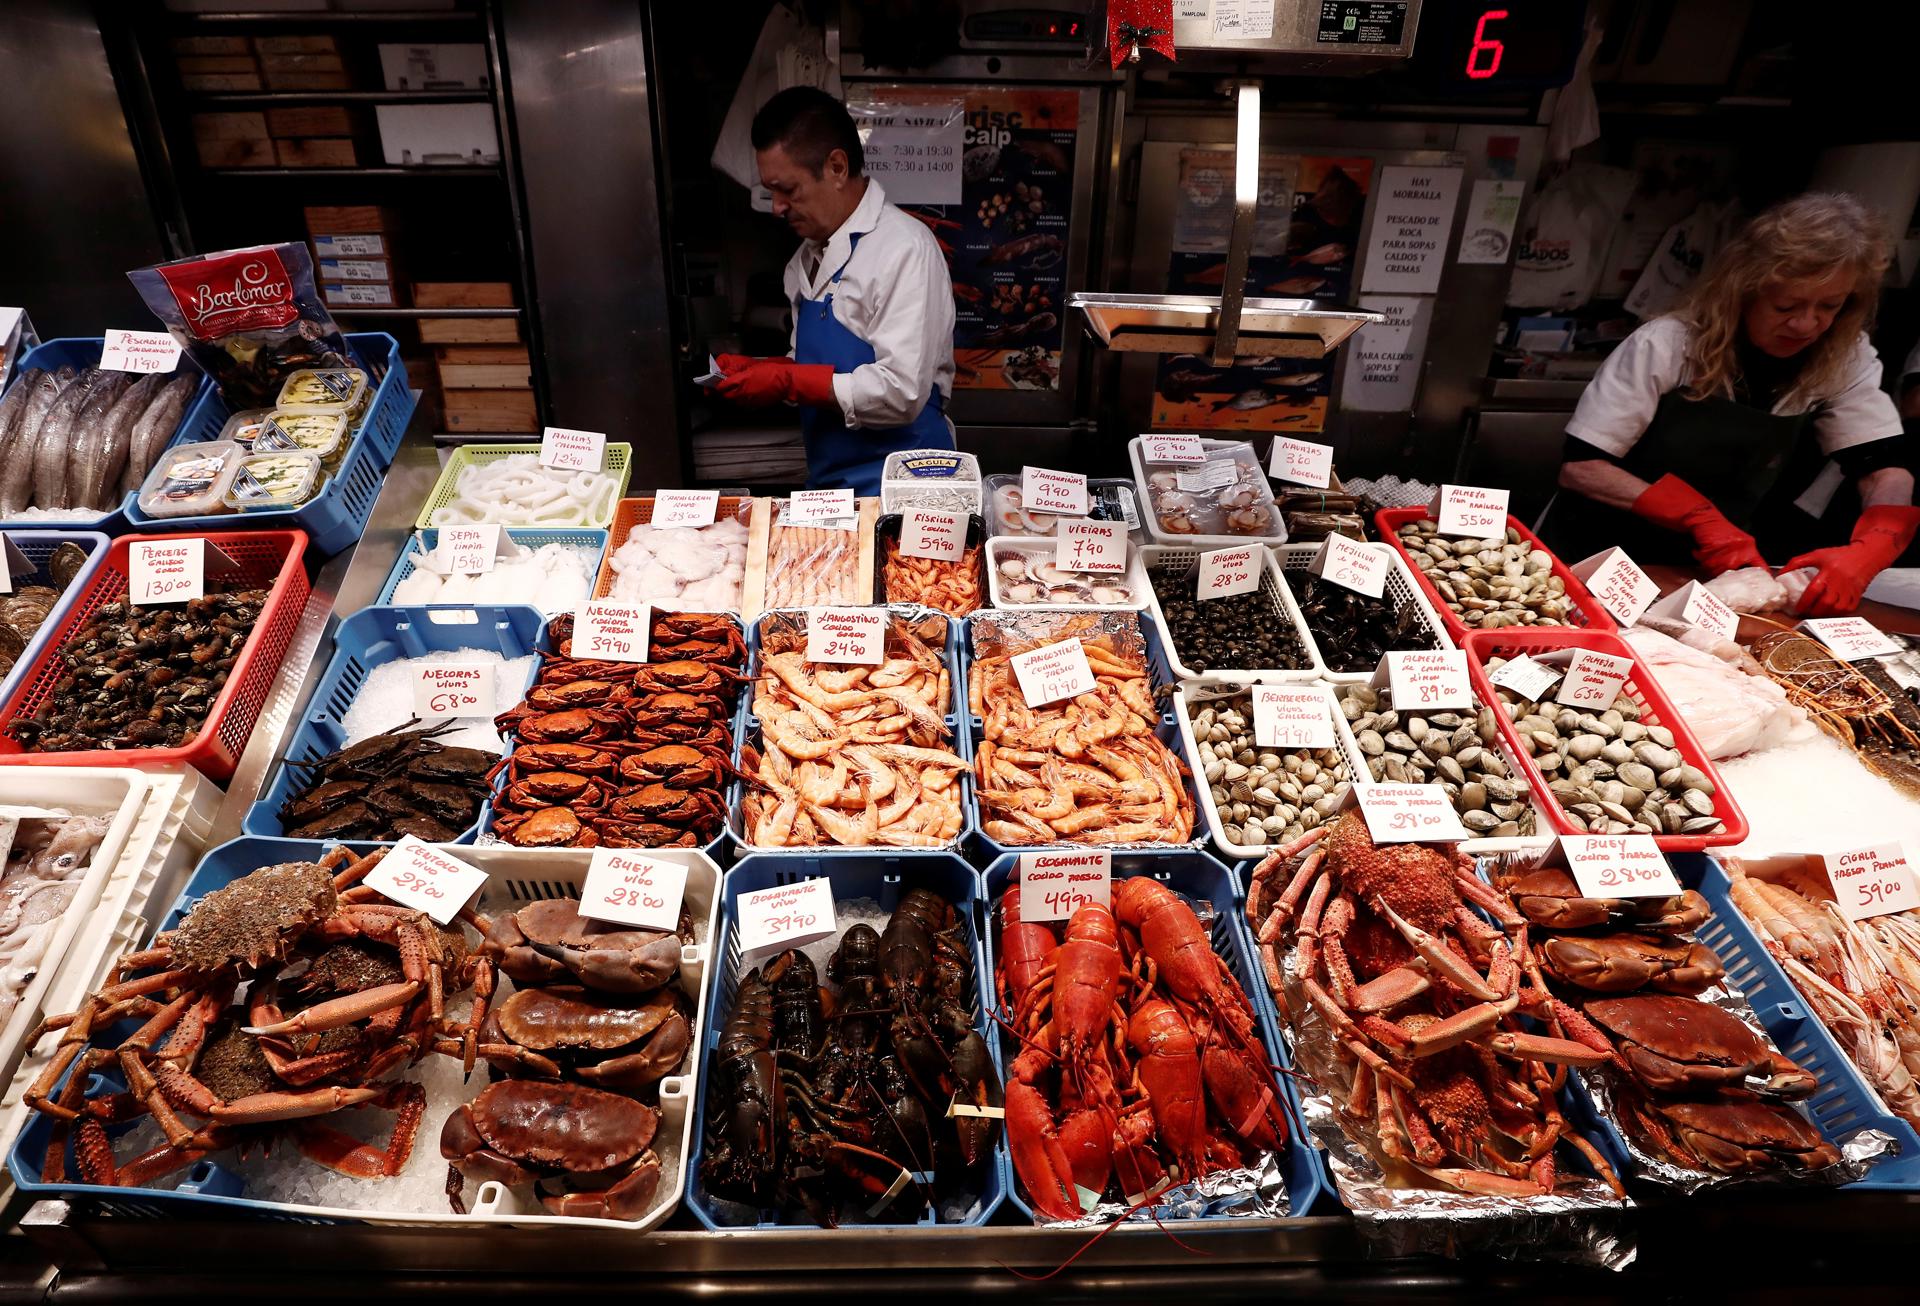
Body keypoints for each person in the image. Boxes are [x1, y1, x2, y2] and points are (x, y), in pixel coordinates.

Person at [1542, 193, 1916, 615]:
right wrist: (1697, 516)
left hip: (1711, 570)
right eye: (1786, 305)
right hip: (1594, 553)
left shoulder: (1844, 356)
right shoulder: (1668, 344)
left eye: (1830, 306)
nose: (1806, 324)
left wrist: (1878, 542)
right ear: (1743, 290)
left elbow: (1884, 468)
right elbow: (1582, 468)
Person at [713, 86, 956, 496]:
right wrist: (761, 371)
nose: (776, 207)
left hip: (908, 490)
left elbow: (901, 393)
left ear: (837, 167)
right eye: (771, 191)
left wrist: (788, 380)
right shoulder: (804, 260)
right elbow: (812, 368)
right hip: (830, 488)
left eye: (788, 190)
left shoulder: (903, 248)